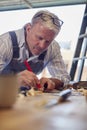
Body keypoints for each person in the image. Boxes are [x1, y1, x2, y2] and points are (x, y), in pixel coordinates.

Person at [0, 10, 71, 92]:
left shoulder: (53, 47)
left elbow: (63, 78)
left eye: (48, 41)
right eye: (39, 38)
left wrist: (52, 82)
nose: (42, 46)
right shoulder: (4, 43)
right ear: (28, 29)